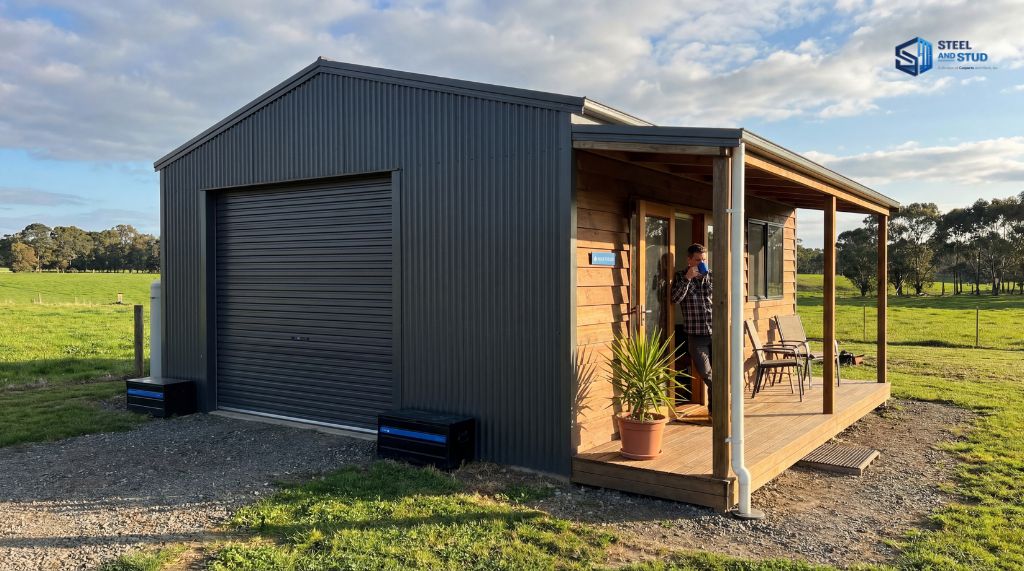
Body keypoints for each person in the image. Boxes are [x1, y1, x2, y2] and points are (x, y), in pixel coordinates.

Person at [671, 244, 714, 416]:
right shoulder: (681, 277)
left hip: (716, 332)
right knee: (707, 373)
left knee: (719, 373)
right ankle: (721, 406)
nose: (701, 263)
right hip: (696, 335)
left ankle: (715, 412)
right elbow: (675, 298)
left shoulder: (712, 276)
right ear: (689, 260)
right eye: (698, 260)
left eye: (704, 260)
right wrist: (688, 279)